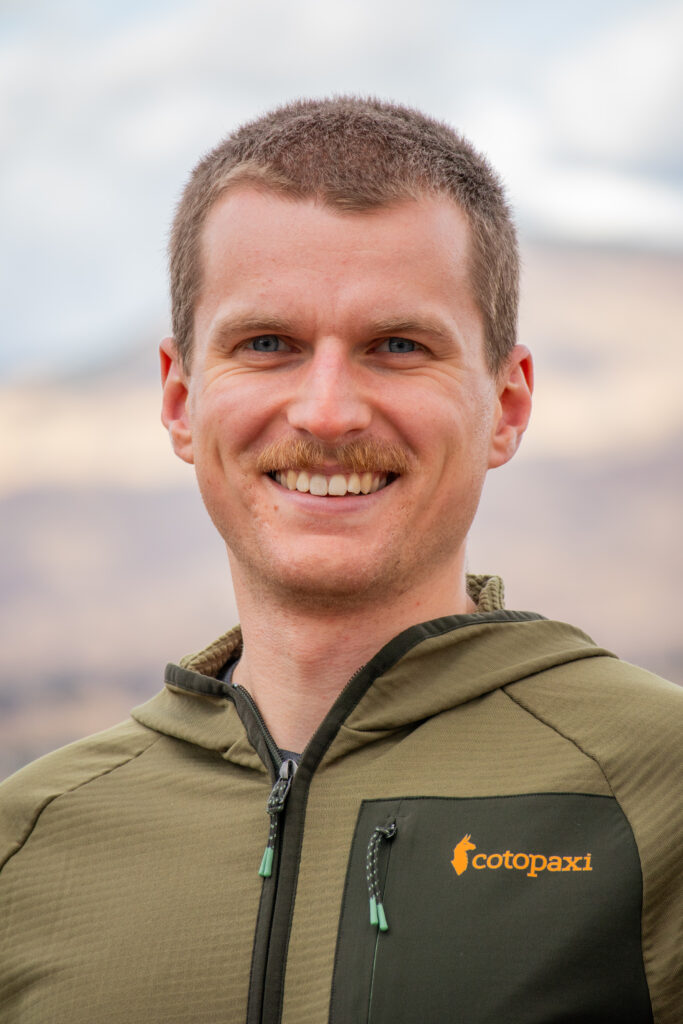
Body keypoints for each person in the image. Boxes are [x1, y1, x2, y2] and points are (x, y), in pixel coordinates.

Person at [0, 97, 680, 1024]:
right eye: (267, 344)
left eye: (397, 346)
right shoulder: (32, 842)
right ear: (178, 400)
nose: (326, 413)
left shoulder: (659, 790)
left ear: (507, 406)